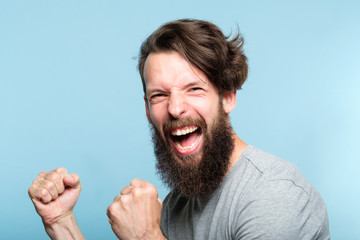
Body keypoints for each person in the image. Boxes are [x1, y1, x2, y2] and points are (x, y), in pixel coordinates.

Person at [28, 19, 330, 240]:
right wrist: (61, 222)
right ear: (148, 110)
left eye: (194, 89)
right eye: (159, 95)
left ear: (227, 96)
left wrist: (146, 235)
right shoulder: (178, 204)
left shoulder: (273, 195)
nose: (174, 108)